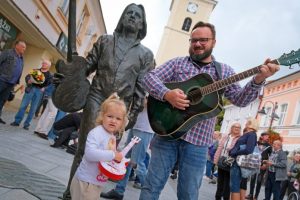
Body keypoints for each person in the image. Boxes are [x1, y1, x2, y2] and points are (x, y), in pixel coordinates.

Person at [140, 21, 280, 200]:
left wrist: (259, 79)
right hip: (166, 134)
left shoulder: (224, 72)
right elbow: (148, 77)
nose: (198, 44)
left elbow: (240, 99)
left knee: (189, 194)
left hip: (198, 143)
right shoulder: (177, 63)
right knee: (151, 187)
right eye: (194, 40)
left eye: (203, 40)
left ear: (214, 42)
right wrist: (167, 94)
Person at [56, 4, 154, 199]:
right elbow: (88, 66)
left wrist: (132, 114)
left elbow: (142, 88)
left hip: (120, 108)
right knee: (85, 147)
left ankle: (91, 193)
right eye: (129, 13)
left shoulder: (146, 54)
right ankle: (71, 193)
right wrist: (70, 77)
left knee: (106, 154)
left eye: (137, 16)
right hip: (97, 98)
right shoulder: (105, 41)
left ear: (142, 24)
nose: (132, 17)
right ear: (122, 18)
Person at [70, 93, 127, 200]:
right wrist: (113, 155)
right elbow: (90, 153)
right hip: (86, 182)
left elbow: (109, 159)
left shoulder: (112, 137)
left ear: (122, 122)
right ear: (102, 116)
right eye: (110, 116)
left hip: (97, 181)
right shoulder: (97, 132)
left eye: (118, 119)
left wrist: (119, 161)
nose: (113, 121)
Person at [100, 96, 154, 200]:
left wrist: (135, 99)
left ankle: (151, 195)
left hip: (144, 129)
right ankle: (119, 191)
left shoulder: (156, 84)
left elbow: (146, 104)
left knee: (137, 163)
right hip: (136, 125)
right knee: (125, 161)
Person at [10, 59, 52, 130]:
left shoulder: (49, 75)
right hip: (31, 88)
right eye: (43, 63)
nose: (43, 64)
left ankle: (27, 124)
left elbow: (49, 84)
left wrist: (44, 88)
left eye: (45, 64)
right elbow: (27, 77)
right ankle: (17, 121)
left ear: (48, 66)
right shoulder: (35, 70)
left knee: (33, 109)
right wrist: (28, 80)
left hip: (39, 91)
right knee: (23, 106)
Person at [229, 118, 259, 200]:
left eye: (246, 122)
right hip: (238, 162)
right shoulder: (250, 134)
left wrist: (234, 152)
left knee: (234, 186)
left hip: (239, 163)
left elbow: (249, 150)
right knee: (234, 186)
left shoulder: (252, 134)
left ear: (250, 124)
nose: (245, 123)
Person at [0, 40, 26, 124]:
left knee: (3, 100)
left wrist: (16, 81)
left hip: (11, 83)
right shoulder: (8, 52)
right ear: (17, 46)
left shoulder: (21, 57)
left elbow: (19, 70)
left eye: (25, 48)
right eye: (23, 47)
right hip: (2, 80)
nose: (24, 49)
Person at [214, 123, 241, 200]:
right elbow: (220, 148)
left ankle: (226, 198)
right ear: (232, 128)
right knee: (220, 181)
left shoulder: (240, 138)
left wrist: (231, 149)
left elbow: (238, 149)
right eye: (235, 126)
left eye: (239, 127)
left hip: (231, 162)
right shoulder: (226, 136)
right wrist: (215, 160)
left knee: (228, 183)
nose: (237, 128)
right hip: (222, 159)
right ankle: (218, 197)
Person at [246, 132, 272, 200]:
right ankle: (250, 195)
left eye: (268, 136)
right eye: (266, 136)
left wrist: (266, 164)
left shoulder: (269, 146)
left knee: (259, 180)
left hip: (262, 164)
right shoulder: (256, 143)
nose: (267, 137)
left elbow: (271, 157)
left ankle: (256, 196)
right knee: (253, 179)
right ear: (262, 136)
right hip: (254, 163)